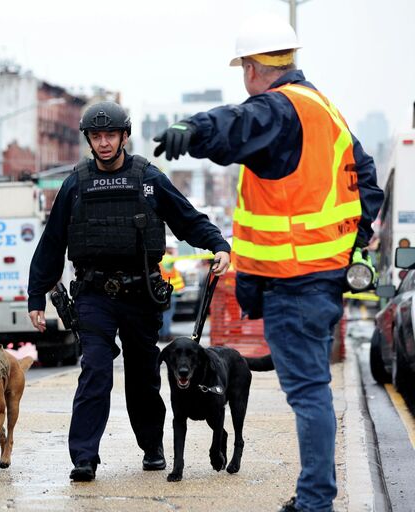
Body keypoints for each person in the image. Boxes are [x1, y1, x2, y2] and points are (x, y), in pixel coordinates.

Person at [152, 14, 384, 512]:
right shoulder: (326, 111)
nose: (245, 80)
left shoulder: (280, 108)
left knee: (307, 395)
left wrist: (191, 129)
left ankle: (315, 502)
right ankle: (313, 495)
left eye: (244, 70)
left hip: (294, 284)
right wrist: (348, 247)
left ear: (254, 68)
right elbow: (369, 185)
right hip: (318, 281)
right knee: (311, 390)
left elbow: (239, 124)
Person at [28, 101, 231, 482]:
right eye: (96, 136)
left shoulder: (149, 178)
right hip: (93, 295)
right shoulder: (75, 183)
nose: (103, 143)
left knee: (143, 375)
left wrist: (218, 244)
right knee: (95, 372)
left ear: (124, 136)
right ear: (89, 139)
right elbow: (52, 243)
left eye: (110, 135)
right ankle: (84, 458)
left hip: (140, 295)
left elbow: (187, 219)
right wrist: (36, 296)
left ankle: (152, 446)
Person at [158, 246, 185, 341]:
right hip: (170, 292)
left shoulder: (158, 258)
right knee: (167, 314)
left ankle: (161, 334)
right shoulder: (168, 258)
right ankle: (166, 334)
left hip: (160, 291)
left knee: (161, 314)